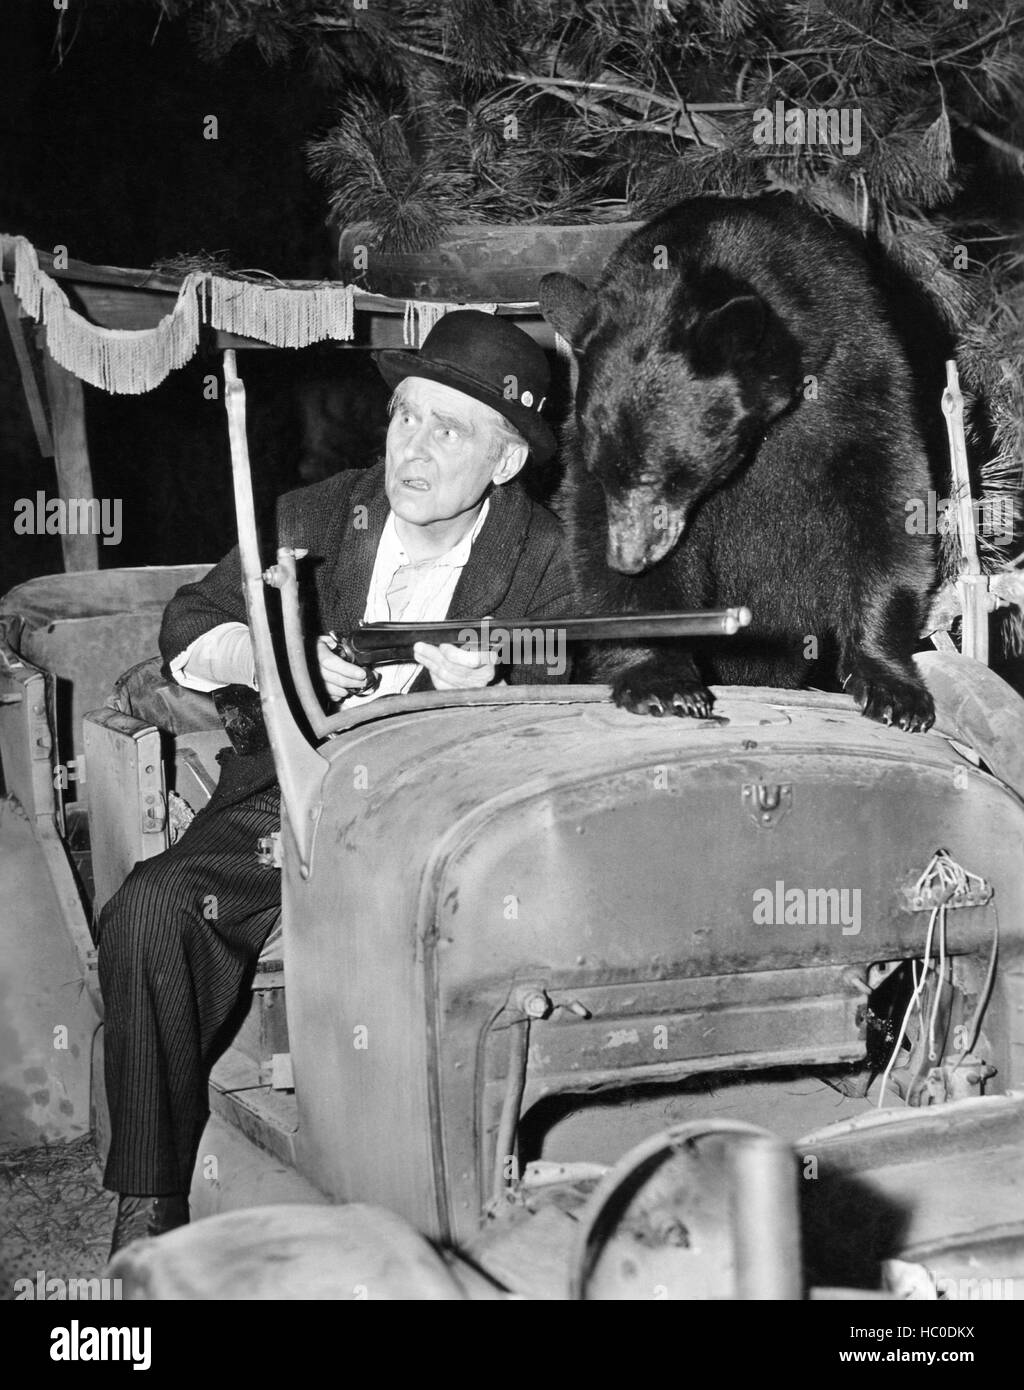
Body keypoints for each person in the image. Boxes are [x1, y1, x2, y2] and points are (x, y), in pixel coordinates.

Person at [98, 310, 573, 1253]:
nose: (415, 449)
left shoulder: (550, 559)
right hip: (291, 796)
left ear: (508, 463)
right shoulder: (313, 518)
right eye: (407, 417)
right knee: (149, 911)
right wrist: (276, 657)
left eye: (451, 430)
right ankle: (151, 1194)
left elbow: (573, 706)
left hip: (451, 821)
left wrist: (496, 693)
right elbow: (189, 628)